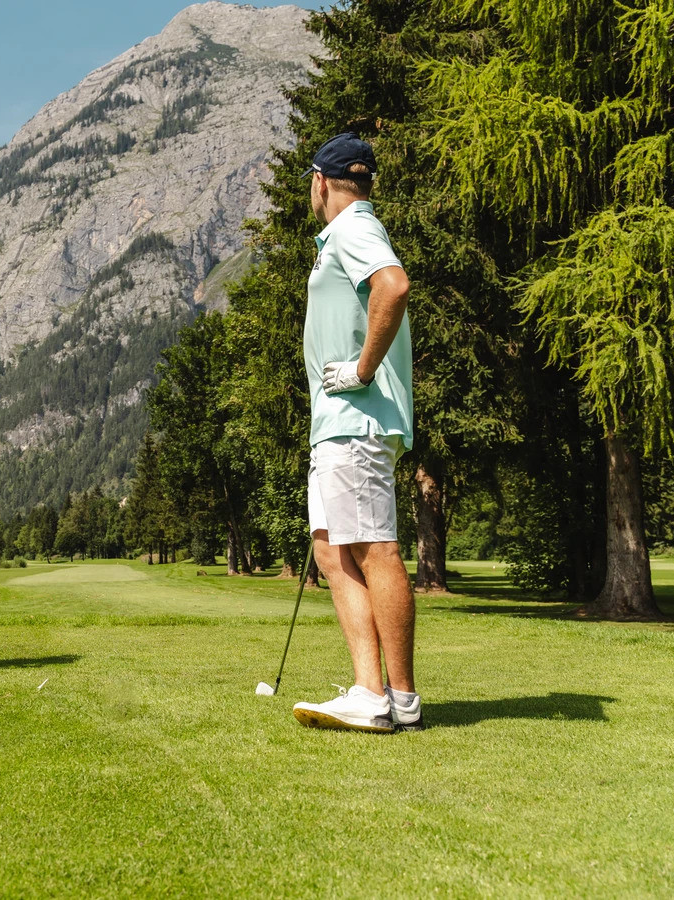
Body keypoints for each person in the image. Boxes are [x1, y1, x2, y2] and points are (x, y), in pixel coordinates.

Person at [289, 133, 421, 733]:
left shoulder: (352, 227)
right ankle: (371, 690)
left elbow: (394, 285)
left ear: (321, 182)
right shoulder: (343, 234)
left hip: (356, 420)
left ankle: (396, 697)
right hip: (336, 424)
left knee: (373, 548)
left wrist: (362, 369)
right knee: (331, 550)